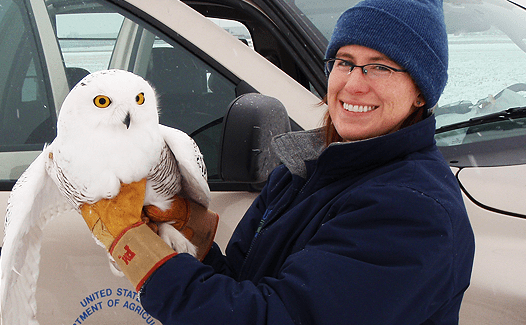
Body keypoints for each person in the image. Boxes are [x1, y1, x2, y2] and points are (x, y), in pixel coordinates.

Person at [80, 0, 475, 323]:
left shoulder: (412, 210)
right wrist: (183, 233)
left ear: (421, 93)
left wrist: (139, 252)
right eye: (344, 61)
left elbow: (276, 317)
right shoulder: (304, 169)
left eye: (381, 67)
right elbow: (244, 285)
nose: (354, 83)